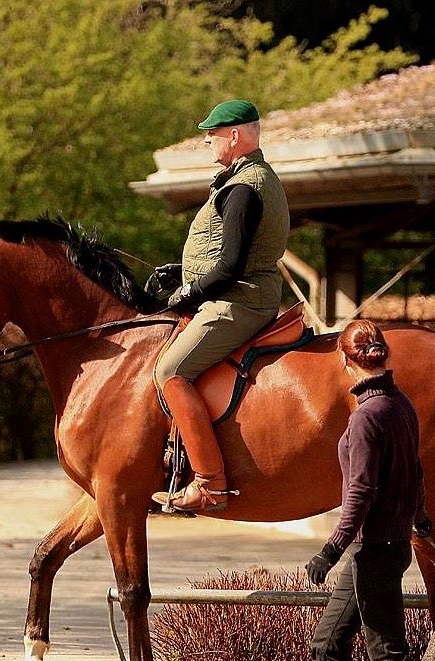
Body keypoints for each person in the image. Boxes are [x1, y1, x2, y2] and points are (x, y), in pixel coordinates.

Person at [254, 319, 435, 661]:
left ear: (345, 361)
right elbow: (416, 470)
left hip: (373, 550)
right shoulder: (399, 404)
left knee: (388, 652)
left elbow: (360, 493)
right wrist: (420, 517)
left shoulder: (367, 416)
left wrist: (330, 549)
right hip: (387, 545)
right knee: (328, 643)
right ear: (383, 357)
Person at [149, 99, 289, 512]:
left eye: (212, 133)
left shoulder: (244, 187)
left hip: (238, 301)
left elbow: (230, 267)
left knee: (170, 371)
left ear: (234, 136)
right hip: (241, 292)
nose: (207, 139)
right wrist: (181, 272)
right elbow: (231, 254)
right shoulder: (248, 178)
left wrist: (187, 294)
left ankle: (210, 483)